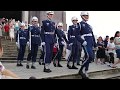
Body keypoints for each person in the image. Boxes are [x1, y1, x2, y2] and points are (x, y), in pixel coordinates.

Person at [78, 11, 97, 79]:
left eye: (87, 16)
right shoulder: (79, 24)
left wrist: (95, 45)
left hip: (90, 42)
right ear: (82, 16)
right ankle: (81, 70)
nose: (87, 17)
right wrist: (82, 41)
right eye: (85, 16)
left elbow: (92, 36)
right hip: (85, 42)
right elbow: (77, 34)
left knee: (87, 57)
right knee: (90, 56)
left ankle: (85, 71)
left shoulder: (89, 26)